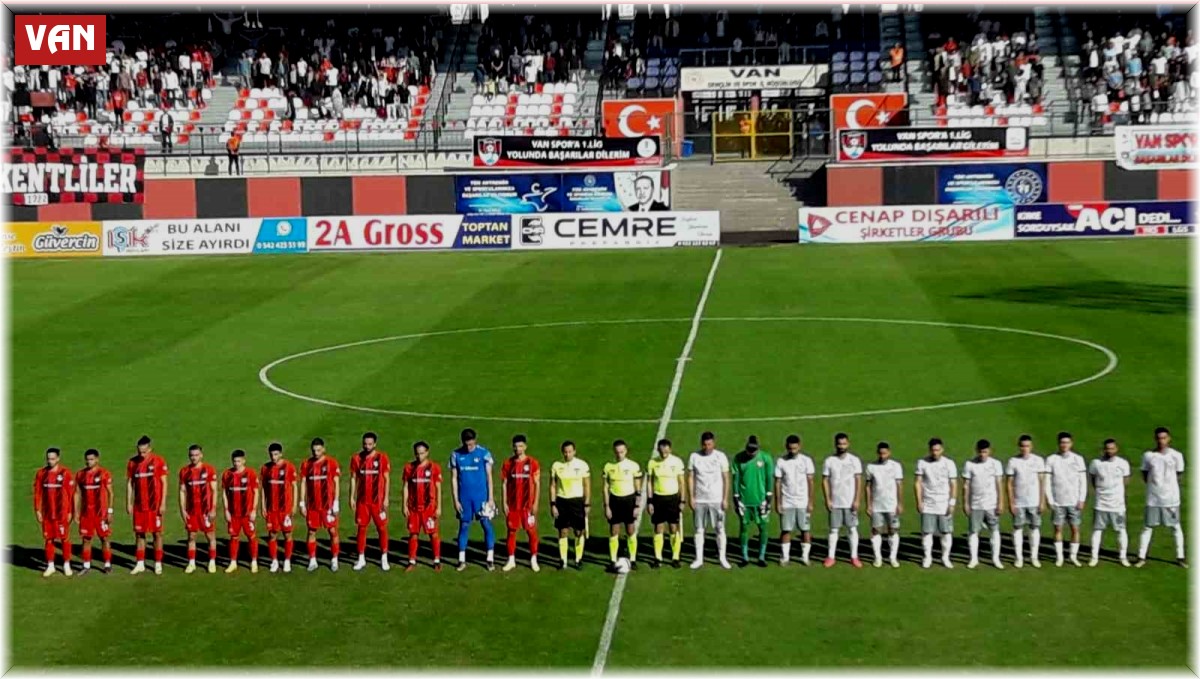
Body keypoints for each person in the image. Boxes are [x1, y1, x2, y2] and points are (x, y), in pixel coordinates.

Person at [1136, 426, 1186, 568]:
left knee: (1175, 527)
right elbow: (1145, 473)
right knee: (1148, 527)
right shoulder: (1148, 456)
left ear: (1169, 439)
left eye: (1164, 438)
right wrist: (1154, 487)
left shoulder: (1176, 455)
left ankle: (1180, 557)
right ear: (1155, 439)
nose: (1161, 441)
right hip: (1153, 499)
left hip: (1171, 499)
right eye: (1159, 438)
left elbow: (1179, 474)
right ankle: (1141, 557)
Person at [450, 428, 497, 572]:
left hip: (481, 497)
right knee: (464, 526)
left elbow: (489, 477)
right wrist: (456, 500)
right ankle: (461, 560)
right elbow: (454, 478)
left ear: (475, 441)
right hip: (464, 498)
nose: (469, 447)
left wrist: (490, 498)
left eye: (471, 444)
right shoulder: (456, 455)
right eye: (466, 444)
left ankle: (490, 559)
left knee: (486, 524)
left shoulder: (484, 454)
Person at [688, 431, 731, 570]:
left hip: (716, 499)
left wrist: (725, 498)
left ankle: (722, 557)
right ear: (701, 444)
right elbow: (691, 478)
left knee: (720, 528)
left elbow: (726, 478)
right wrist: (691, 497)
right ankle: (698, 558)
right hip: (700, 499)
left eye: (710, 444)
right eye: (705, 444)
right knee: (699, 529)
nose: (707, 447)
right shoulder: (694, 457)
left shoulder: (720, 456)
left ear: (714, 443)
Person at [349, 432, 391, 572]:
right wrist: (351, 497)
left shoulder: (382, 458)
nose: (367, 447)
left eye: (370, 444)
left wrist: (386, 497)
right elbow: (353, 478)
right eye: (365, 444)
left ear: (375, 444)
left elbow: (386, 478)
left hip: (378, 501)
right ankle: (361, 558)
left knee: (382, 528)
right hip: (362, 501)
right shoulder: (356, 458)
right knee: (361, 528)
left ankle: (384, 557)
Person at [127, 435, 168, 575]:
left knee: (157, 534)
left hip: (154, 506)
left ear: (150, 449)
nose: (141, 454)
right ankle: (140, 563)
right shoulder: (132, 463)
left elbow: (164, 482)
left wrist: (163, 503)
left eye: (144, 452)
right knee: (139, 534)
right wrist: (129, 502)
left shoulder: (158, 461)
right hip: (139, 506)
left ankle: (158, 563)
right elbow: (130, 484)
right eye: (139, 451)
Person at [1045, 432, 1087, 567]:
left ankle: (1073, 556)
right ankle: (1060, 557)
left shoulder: (1078, 459)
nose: (1064, 445)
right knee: (1058, 529)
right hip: (1058, 501)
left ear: (1071, 444)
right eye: (1062, 443)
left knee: (1075, 528)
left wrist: (1081, 499)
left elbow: (1083, 481)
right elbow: (1047, 481)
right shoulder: (1051, 459)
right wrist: (1050, 500)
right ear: (1059, 444)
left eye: (1067, 442)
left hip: (1074, 501)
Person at [962, 439, 1005, 570]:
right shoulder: (969, 464)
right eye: (980, 452)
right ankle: (973, 559)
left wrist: (1001, 502)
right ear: (977, 451)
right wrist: (965, 503)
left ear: (989, 451)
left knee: (994, 530)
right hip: (976, 504)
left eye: (985, 452)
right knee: (974, 531)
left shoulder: (996, 464)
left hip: (991, 504)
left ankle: (995, 558)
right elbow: (966, 485)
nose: (982, 455)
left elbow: (999, 484)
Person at [299, 437, 340, 572]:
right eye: (314, 450)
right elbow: (303, 483)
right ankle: (312, 560)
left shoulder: (331, 463)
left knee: (332, 531)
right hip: (312, 506)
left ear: (323, 449)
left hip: (328, 505)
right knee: (311, 531)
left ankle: (334, 559)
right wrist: (302, 503)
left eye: (318, 450)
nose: (316, 453)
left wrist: (336, 502)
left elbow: (336, 483)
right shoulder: (306, 464)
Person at [500, 434, 540, 572]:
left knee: (531, 531)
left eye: (521, 446)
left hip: (527, 505)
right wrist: (504, 502)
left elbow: (537, 484)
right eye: (516, 446)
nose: (518, 449)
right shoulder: (508, 463)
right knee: (511, 531)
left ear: (525, 447)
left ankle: (533, 558)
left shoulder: (533, 463)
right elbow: (504, 484)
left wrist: (535, 503)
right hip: (513, 505)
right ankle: (511, 559)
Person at [822, 432, 863, 568]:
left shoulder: (854, 460)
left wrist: (857, 499)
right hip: (835, 502)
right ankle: (831, 557)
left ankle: (854, 557)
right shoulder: (829, 461)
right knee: (834, 529)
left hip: (850, 502)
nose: (842, 446)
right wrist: (828, 499)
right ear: (835, 445)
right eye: (839, 444)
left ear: (848, 444)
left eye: (844, 444)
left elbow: (858, 480)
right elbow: (825, 481)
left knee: (852, 528)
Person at [732, 435, 773, 567]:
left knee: (763, 527)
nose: (751, 453)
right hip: (745, 501)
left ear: (758, 448)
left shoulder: (766, 458)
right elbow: (736, 479)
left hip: (761, 500)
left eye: (753, 451)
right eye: (749, 450)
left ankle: (761, 557)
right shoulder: (738, 458)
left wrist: (768, 498)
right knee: (744, 527)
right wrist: (736, 497)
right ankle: (744, 557)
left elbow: (769, 478)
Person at [1089, 438, 1131, 567]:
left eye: (1112, 448)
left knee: (1121, 530)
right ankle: (1094, 557)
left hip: (1118, 505)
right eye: (1107, 448)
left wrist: (1117, 493)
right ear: (1104, 449)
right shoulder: (1096, 463)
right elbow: (1093, 479)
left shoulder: (1123, 463)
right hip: (1101, 503)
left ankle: (1123, 557)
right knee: (1097, 530)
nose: (1109, 451)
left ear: (1116, 449)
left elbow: (1126, 481)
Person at [915, 437, 957, 569]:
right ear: (929, 450)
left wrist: (952, 502)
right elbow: (918, 483)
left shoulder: (949, 463)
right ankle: (927, 557)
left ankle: (945, 557)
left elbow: (953, 484)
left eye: (938, 450)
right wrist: (919, 501)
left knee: (946, 532)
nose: (935, 453)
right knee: (927, 532)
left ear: (942, 450)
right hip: (928, 503)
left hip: (944, 503)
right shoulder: (922, 463)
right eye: (933, 450)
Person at [402, 441, 443, 571]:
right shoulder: (409, 468)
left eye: (422, 453)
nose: (419, 456)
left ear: (427, 453)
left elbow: (438, 488)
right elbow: (406, 487)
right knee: (413, 534)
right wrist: (404, 505)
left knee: (433, 533)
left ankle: (436, 560)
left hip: (429, 508)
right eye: (417, 454)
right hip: (413, 508)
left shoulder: (434, 468)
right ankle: (412, 561)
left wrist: (439, 507)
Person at [1006, 434, 1046, 568]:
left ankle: (1034, 557)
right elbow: (1009, 483)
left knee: (1034, 528)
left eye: (1027, 446)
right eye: (1023, 446)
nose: (1025, 449)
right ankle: (1019, 558)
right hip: (1019, 502)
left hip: (1034, 501)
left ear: (1031, 446)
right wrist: (1011, 502)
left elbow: (1042, 481)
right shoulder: (1013, 461)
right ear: (1019, 447)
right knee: (1018, 528)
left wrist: (1042, 500)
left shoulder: (1038, 460)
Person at [603, 439, 643, 570]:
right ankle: (613, 559)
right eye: (617, 452)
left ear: (626, 451)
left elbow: (638, 488)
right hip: (614, 500)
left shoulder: (633, 466)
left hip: (629, 500)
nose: (619, 454)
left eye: (622, 452)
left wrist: (637, 506)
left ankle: (633, 559)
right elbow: (605, 487)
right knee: (614, 530)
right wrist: (607, 506)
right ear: (614, 452)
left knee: (630, 529)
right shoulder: (608, 467)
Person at [34, 447, 74, 577]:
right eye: (48, 459)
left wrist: (70, 511)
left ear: (58, 459)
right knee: (49, 539)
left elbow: (71, 494)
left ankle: (66, 564)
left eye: (52, 459)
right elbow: (38, 493)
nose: (50, 461)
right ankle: (50, 566)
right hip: (47, 513)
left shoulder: (65, 473)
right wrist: (38, 510)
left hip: (62, 513)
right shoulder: (41, 473)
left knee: (64, 539)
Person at [775, 434, 814, 566]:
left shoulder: (806, 461)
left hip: (803, 502)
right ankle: (785, 557)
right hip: (787, 502)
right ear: (786, 447)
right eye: (790, 448)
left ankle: (805, 557)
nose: (792, 451)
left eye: (795, 448)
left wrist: (810, 502)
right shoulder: (781, 461)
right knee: (786, 530)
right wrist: (778, 503)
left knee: (805, 529)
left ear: (799, 446)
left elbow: (810, 482)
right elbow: (778, 483)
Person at [178, 444, 218, 574]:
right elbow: (182, 491)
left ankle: (212, 561)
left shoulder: (209, 470)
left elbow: (214, 490)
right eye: (191, 455)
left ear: (201, 455)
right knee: (191, 536)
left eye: (196, 455)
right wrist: (183, 509)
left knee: (210, 536)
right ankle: (191, 563)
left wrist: (213, 509)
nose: (194, 458)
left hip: (206, 511)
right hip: (191, 511)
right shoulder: (184, 471)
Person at [550, 440, 591, 569]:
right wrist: (553, 504)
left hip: (577, 501)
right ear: (562, 452)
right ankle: (563, 560)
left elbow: (587, 485)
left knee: (579, 531)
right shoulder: (556, 466)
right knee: (563, 531)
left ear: (574, 451)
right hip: (562, 501)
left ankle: (578, 559)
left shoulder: (582, 465)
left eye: (570, 452)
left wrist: (587, 503)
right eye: (565, 452)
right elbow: (552, 486)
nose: (567, 454)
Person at [646, 438, 686, 568]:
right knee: (658, 528)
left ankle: (675, 557)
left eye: (666, 452)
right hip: (658, 498)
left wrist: (682, 500)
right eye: (662, 452)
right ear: (658, 450)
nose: (664, 454)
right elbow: (649, 483)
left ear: (670, 450)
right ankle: (658, 557)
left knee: (673, 527)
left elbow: (682, 483)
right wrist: (650, 501)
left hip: (673, 499)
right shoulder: (652, 463)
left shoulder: (677, 462)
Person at [74, 448, 114, 575]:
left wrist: (110, 511)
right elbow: (77, 493)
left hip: (101, 513)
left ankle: (107, 564)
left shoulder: (104, 473)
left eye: (91, 459)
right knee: (86, 539)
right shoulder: (80, 475)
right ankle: (86, 565)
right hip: (86, 514)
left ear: (97, 459)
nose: (89, 462)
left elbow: (110, 493)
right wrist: (76, 511)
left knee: (104, 538)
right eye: (87, 460)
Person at [864, 441, 903, 568]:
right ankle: (878, 558)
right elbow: (868, 487)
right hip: (877, 505)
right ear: (877, 453)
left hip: (892, 505)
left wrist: (900, 503)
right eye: (880, 453)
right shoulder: (871, 467)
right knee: (876, 530)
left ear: (889, 452)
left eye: (885, 453)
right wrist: (868, 505)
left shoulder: (896, 466)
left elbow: (899, 485)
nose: (882, 456)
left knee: (893, 530)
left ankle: (892, 557)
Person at [260, 442, 297, 573]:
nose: (273, 457)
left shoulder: (289, 467)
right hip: (272, 509)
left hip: (285, 509)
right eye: (271, 455)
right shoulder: (265, 468)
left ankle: (287, 560)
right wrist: (263, 505)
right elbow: (264, 488)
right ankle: (274, 561)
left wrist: (294, 505)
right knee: (272, 535)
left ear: (281, 454)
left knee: (288, 534)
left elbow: (294, 486)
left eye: (276, 454)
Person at [221, 449, 259, 573]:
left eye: (238, 461)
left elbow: (256, 492)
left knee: (251, 536)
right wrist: (226, 510)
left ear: (244, 461)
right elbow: (224, 493)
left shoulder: (251, 473)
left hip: (247, 513)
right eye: (234, 461)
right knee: (234, 537)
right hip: (233, 514)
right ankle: (233, 562)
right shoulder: (227, 474)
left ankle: (254, 561)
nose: (236, 463)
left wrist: (254, 510)